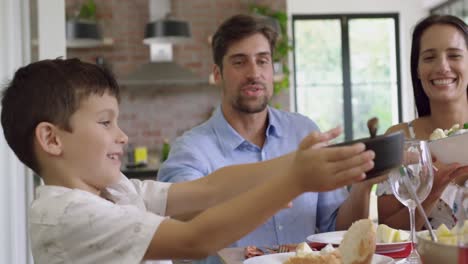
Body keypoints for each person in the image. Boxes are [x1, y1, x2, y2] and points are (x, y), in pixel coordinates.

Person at [0, 58, 375, 264]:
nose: (122, 135)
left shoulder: (113, 190)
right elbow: (195, 239)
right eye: (105, 122)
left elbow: (208, 188)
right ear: (51, 138)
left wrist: (294, 161)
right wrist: (293, 181)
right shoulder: (67, 214)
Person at [158, 13, 379, 252]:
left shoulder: (304, 132)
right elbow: (185, 233)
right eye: (239, 62)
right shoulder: (191, 151)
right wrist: (292, 180)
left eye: (262, 61)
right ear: (218, 73)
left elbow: (337, 231)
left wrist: (363, 186)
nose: (254, 73)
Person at [377, 14, 468, 230]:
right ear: (417, 69)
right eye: (429, 58)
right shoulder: (399, 138)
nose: (442, 67)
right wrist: (433, 191)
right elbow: (389, 234)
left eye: (454, 55)